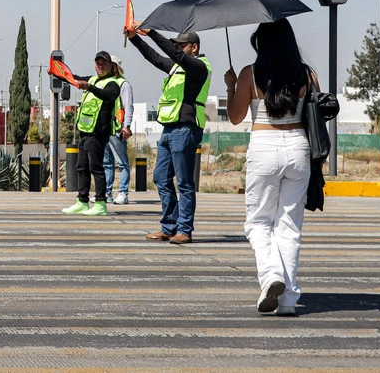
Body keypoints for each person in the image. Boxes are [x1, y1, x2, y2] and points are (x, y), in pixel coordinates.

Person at [224, 19, 316, 317]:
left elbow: (236, 117)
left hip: (264, 145)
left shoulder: (251, 73)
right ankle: (288, 301)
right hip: (298, 147)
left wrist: (231, 87)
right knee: (289, 226)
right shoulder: (307, 74)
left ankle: (270, 275)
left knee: (257, 222)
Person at [124, 26, 212, 244]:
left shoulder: (199, 67)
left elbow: (175, 55)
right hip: (169, 128)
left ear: (194, 47)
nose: (178, 49)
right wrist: (135, 39)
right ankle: (169, 227)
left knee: (184, 182)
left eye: (182, 45)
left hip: (186, 128)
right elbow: (154, 57)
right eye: (177, 45)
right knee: (160, 177)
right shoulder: (176, 68)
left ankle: (184, 230)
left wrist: (152, 32)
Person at [63, 51, 122, 216]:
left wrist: (90, 87)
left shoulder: (113, 83)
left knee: (96, 167)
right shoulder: (92, 78)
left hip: (98, 133)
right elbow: (73, 78)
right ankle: (82, 201)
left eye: (104, 63)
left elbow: (107, 95)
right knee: (81, 166)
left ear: (111, 66)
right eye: (98, 63)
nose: (100, 66)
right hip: (85, 131)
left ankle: (101, 203)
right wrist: (57, 71)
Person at [102, 57, 134, 205]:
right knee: (106, 163)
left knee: (122, 162)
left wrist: (126, 126)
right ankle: (107, 193)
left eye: (108, 64)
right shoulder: (107, 83)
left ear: (114, 66)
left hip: (117, 128)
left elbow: (128, 106)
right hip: (105, 129)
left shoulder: (124, 84)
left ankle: (123, 193)